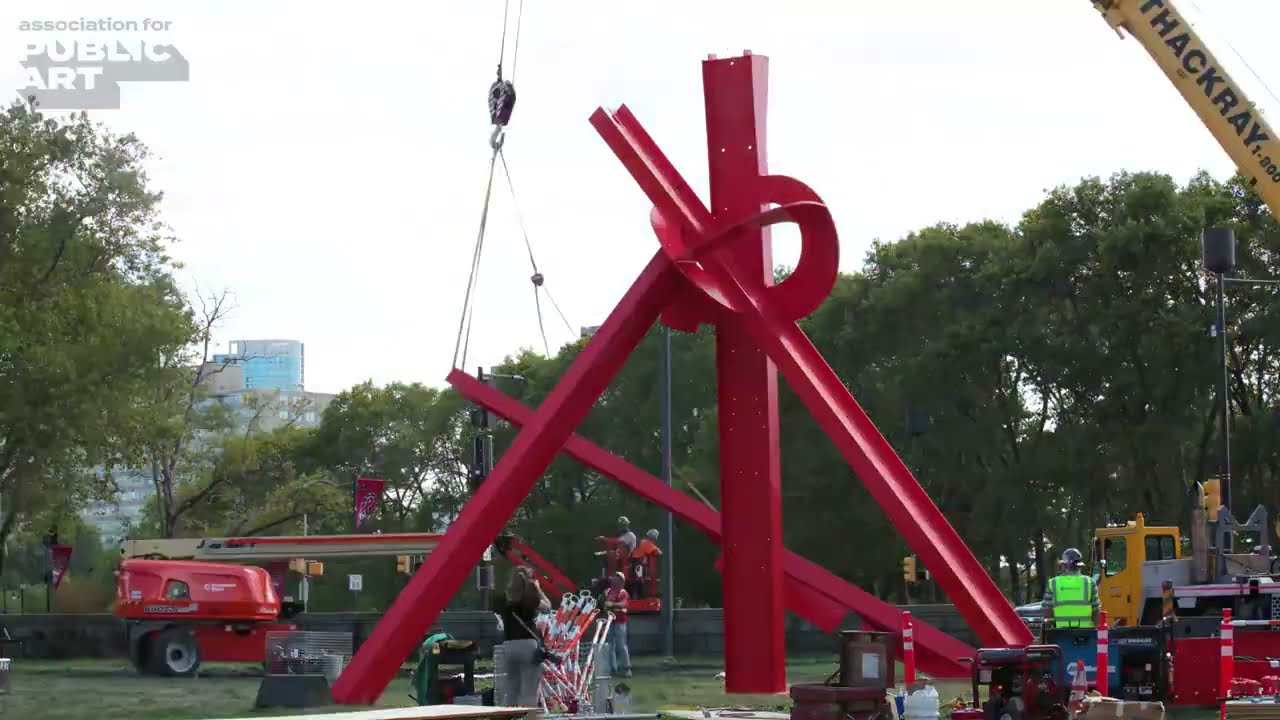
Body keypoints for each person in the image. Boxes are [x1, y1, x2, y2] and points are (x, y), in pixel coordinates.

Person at [494, 567, 551, 706]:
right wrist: (538, 589)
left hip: (508, 646)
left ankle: (509, 716)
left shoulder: (503, 598)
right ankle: (529, 716)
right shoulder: (530, 597)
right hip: (528, 645)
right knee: (529, 690)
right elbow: (547, 607)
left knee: (512, 688)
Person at [1043, 547, 1099, 628]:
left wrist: (1046, 634)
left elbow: (1048, 614)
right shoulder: (1089, 582)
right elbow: (1096, 612)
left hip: (1061, 635)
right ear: (1079, 566)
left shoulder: (1053, 583)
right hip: (1087, 635)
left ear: (1064, 566)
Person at [604, 571, 632, 678]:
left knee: (621, 645)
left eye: (618, 578)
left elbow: (624, 604)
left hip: (620, 622)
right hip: (610, 622)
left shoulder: (623, 592)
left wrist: (612, 604)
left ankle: (626, 668)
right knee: (610, 646)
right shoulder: (608, 592)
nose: (615, 579)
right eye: (615, 577)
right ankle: (613, 669)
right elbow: (604, 603)